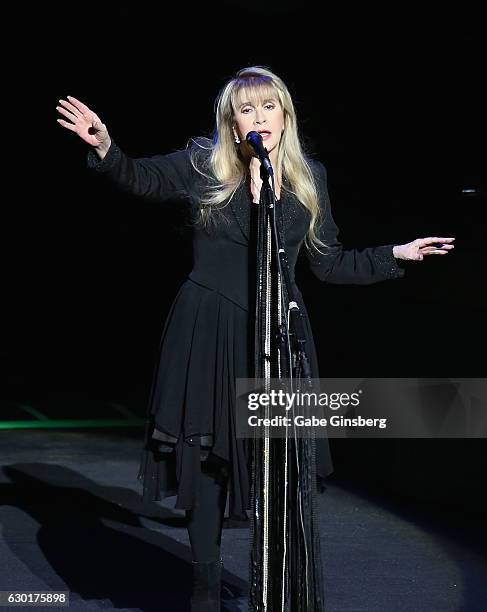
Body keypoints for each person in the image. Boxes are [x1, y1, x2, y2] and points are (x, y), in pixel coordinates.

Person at [56, 66, 454, 611]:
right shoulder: (205, 164)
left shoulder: (309, 178)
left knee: (277, 460)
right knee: (208, 457)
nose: (259, 118)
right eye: (247, 109)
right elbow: (141, 177)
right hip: (208, 328)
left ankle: (279, 581)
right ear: (232, 120)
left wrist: (395, 255)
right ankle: (203, 581)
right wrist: (106, 146)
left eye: (269, 107)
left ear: (285, 115)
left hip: (280, 335)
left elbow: (330, 263)